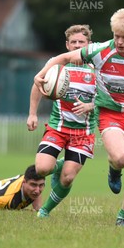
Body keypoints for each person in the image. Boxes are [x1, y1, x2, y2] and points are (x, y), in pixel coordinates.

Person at [34, 8, 124, 226]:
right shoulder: (100, 51)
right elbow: (63, 57)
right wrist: (41, 74)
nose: (120, 42)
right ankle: (114, 170)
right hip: (110, 113)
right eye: (116, 36)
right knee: (121, 158)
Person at [27, 24, 97, 217]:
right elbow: (38, 84)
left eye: (81, 42)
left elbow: (108, 101)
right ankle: (56, 166)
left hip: (83, 133)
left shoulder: (98, 68)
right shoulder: (56, 65)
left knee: (67, 178)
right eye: (73, 42)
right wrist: (32, 113)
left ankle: (45, 210)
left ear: (88, 44)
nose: (76, 45)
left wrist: (91, 106)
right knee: (41, 169)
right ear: (67, 45)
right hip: (58, 128)